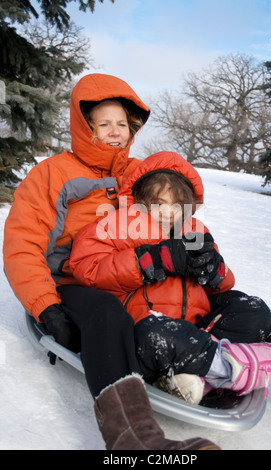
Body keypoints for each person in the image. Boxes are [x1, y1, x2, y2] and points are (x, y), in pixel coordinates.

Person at [3, 75, 220, 451]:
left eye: (122, 123)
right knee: (106, 312)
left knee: (218, 295)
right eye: (104, 124)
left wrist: (205, 261)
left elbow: (175, 211)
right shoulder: (52, 174)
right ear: (85, 127)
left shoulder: (138, 171)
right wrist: (47, 307)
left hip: (135, 270)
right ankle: (135, 441)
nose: (115, 132)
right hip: (75, 282)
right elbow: (22, 245)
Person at [70, 151, 271, 405]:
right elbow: (88, 270)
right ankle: (243, 367)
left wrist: (214, 270)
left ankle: (203, 374)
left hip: (198, 332)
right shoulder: (115, 225)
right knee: (160, 335)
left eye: (177, 205)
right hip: (147, 333)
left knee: (253, 310)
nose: (168, 212)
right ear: (140, 199)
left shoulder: (195, 231)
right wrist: (152, 260)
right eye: (159, 203)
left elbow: (224, 286)